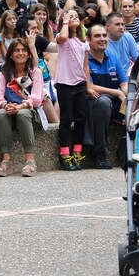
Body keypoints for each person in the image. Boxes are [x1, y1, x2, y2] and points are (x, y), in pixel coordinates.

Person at [0, 37, 44, 177]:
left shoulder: (35, 72)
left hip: (30, 112)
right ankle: (6, 161)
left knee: (22, 114)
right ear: (10, 54)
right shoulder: (4, 73)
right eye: (16, 50)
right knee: (2, 113)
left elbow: (37, 100)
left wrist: (20, 106)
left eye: (23, 50)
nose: (20, 53)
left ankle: (30, 160)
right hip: (10, 109)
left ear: (28, 54)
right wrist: (7, 105)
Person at [85, 24, 128, 169]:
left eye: (104, 35)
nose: (102, 39)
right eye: (97, 36)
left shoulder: (113, 58)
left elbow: (124, 83)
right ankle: (100, 153)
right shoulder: (84, 59)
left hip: (113, 102)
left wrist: (127, 94)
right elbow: (89, 87)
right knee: (103, 103)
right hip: (92, 103)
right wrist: (117, 92)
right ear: (88, 40)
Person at [54, 9, 91, 171]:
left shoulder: (82, 41)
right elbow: (62, 37)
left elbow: (85, 65)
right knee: (66, 119)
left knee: (81, 118)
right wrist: (65, 21)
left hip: (80, 83)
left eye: (76, 16)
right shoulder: (63, 39)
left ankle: (77, 151)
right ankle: (64, 153)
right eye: (70, 16)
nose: (74, 18)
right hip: (65, 84)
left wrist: (88, 84)